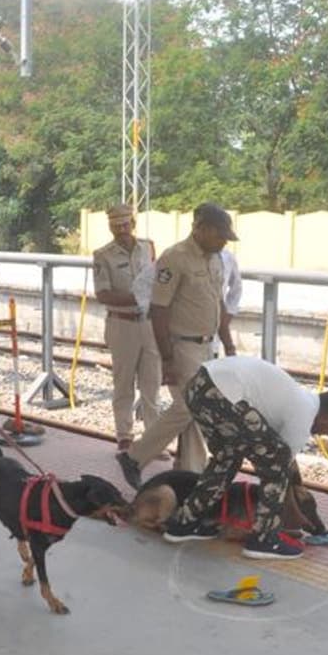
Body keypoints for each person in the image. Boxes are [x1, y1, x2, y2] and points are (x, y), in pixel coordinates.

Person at [162, 356, 328, 559]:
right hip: (223, 393)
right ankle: (264, 540)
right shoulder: (304, 415)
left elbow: (287, 466)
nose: (326, 435)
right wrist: (293, 514)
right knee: (276, 462)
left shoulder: (298, 399)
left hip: (199, 386)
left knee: (227, 458)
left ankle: (184, 523)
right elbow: (281, 467)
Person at [117, 203, 237, 486]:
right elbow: (160, 309)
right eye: (220, 235)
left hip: (209, 347)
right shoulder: (175, 258)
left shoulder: (216, 258)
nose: (223, 242)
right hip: (183, 347)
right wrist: (167, 359)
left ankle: (191, 473)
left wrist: (229, 344)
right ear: (201, 228)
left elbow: (219, 303)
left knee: (194, 410)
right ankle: (134, 457)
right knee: (191, 406)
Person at [92, 204, 161, 452]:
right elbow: (103, 294)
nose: (121, 230)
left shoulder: (148, 247)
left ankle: (154, 441)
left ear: (133, 223)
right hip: (122, 325)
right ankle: (124, 436)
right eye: (115, 226)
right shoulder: (102, 255)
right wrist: (138, 298)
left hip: (149, 324)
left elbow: (158, 279)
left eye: (124, 224)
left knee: (152, 385)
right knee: (123, 384)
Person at [214, 247, 241, 358]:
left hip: (215, 328)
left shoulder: (227, 257)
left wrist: (228, 314)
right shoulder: (184, 256)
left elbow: (236, 288)